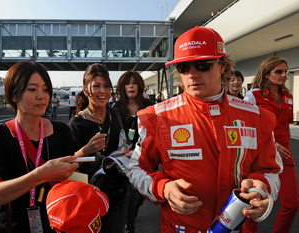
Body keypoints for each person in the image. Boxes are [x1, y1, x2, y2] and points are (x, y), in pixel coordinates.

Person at [127, 26, 283, 233]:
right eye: (184, 67)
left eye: (203, 64)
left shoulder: (257, 117)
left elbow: (271, 171)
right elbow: (136, 168)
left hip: (239, 227)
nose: (192, 74)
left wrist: (263, 190)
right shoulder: (156, 117)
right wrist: (163, 188)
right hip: (182, 227)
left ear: (222, 66)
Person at [0, 61, 79, 233]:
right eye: (32, 89)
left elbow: (71, 180)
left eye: (46, 89)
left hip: (58, 224)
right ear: (14, 95)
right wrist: (40, 175)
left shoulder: (62, 131)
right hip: (12, 226)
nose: (42, 96)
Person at [68, 63, 131, 233]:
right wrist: (84, 151)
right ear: (86, 89)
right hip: (89, 194)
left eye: (106, 86)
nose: (102, 91)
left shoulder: (116, 114)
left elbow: (126, 143)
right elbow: (65, 165)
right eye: (96, 86)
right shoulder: (77, 123)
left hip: (118, 190)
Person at [244, 56, 298, 233]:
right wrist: (272, 145)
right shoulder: (253, 96)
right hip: (260, 157)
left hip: (285, 157)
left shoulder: (288, 97)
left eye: (286, 72)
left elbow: (286, 127)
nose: (284, 75)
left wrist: (287, 149)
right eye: (279, 71)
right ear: (267, 74)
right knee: (254, 203)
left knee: (292, 204)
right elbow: (246, 127)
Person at [114, 71, 152, 233]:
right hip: (124, 157)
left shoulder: (148, 105)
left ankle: (132, 214)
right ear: (122, 87)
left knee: (141, 194)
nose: (131, 86)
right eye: (127, 83)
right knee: (128, 192)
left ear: (139, 86)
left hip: (145, 154)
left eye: (134, 83)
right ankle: (129, 223)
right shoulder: (116, 108)